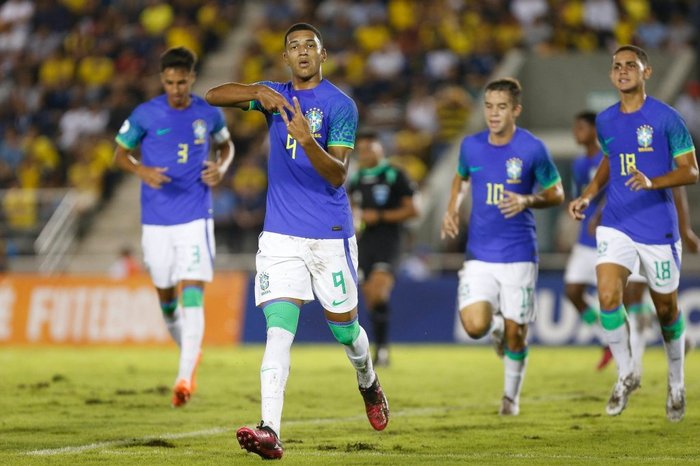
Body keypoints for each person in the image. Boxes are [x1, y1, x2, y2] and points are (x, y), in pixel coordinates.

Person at [205, 23, 389, 460]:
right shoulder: (272, 94)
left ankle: (368, 380)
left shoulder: (340, 106)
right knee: (277, 335)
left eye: (310, 46)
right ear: (286, 58)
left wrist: (307, 140)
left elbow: (338, 174)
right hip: (280, 237)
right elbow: (214, 95)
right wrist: (260, 92)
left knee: (346, 332)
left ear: (322, 55)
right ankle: (270, 428)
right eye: (294, 47)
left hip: (329, 236)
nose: (302, 52)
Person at [569, 45, 697, 422]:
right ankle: (627, 372)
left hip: (658, 228)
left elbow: (691, 172)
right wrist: (589, 195)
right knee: (608, 294)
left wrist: (653, 181)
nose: (623, 71)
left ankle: (676, 382)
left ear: (647, 72)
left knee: (666, 310)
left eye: (631, 65)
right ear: (612, 75)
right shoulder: (606, 121)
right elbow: (610, 159)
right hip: (617, 223)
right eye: (617, 66)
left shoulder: (667, 118)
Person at [113, 46, 234, 408]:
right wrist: (141, 169)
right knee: (167, 300)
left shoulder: (207, 113)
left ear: (192, 79)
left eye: (182, 82)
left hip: (195, 215)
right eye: (169, 82)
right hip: (156, 221)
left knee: (191, 290)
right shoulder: (145, 114)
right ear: (162, 80)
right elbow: (119, 153)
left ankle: (184, 376)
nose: (176, 88)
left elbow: (226, 146)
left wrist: (222, 167)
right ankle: (189, 353)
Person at [441, 77, 564, 416]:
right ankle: (495, 328)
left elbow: (556, 193)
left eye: (501, 107)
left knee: (518, 333)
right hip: (480, 254)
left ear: (516, 110)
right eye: (489, 106)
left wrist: (527, 199)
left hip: (519, 254)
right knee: (474, 326)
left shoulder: (532, 148)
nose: (493, 114)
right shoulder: (471, 146)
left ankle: (510, 397)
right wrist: (452, 208)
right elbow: (462, 177)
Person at [349, 130, 419, 367]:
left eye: (370, 148)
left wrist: (378, 215)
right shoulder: (357, 178)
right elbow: (352, 209)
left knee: (378, 290)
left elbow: (412, 210)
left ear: (381, 148)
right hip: (365, 242)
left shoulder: (395, 174)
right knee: (370, 296)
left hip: (390, 241)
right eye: (362, 149)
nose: (365, 153)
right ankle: (382, 349)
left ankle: (382, 348)